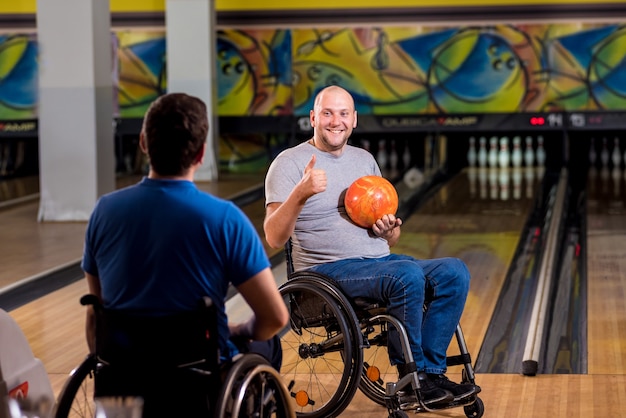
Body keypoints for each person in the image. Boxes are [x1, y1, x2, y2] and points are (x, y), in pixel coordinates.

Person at [264, 85, 479, 408]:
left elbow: (388, 240)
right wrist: (301, 192)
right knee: (405, 275)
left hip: (378, 265)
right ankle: (412, 376)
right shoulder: (290, 163)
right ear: (312, 118)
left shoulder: (364, 160)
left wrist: (388, 230)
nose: (335, 121)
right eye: (327, 113)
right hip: (325, 274)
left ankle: (431, 373)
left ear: (354, 120)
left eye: (343, 113)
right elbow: (274, 237)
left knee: (454, 272)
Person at [82, 92, 289, 373]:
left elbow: (97, 314)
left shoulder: (103, 212)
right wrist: (241, 329)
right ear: (202, 154)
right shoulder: (225, 220)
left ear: (143, 142)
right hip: (197, 374)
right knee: (269, 344)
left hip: (123, 373)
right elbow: (274, 318)